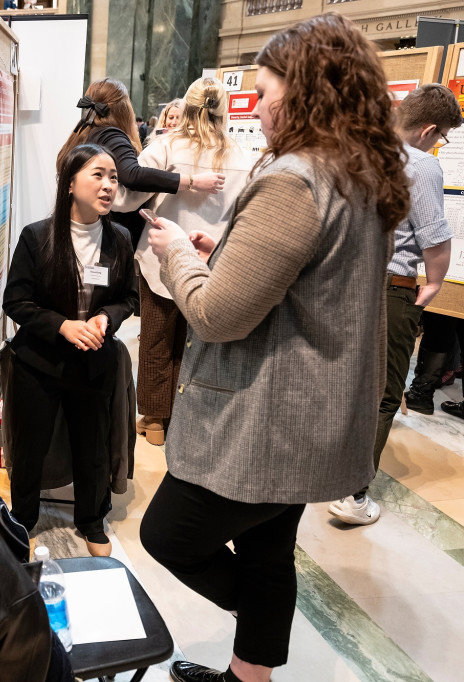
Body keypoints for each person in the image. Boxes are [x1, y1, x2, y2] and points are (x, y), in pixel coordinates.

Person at [139, 13, 410, 682]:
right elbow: (308, 281)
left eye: (265, 94)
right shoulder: (359, 171)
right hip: (311, 416)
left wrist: (177, 253)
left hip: (267, 418)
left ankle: (256, 631)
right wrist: (223, 252)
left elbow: (217, 315)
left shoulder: (295, 178)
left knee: (167, 534)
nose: (257, 110)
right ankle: (247, 675)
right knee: (265, 550)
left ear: (307, 91)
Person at [328, 83, 460, 526]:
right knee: (383, 394)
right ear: (428, 129)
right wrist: (436, 281)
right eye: (441, 135)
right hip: (389, 287)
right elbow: (435, 236)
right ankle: (353, 495)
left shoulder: (357, 148)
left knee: (341, 382)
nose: (438, 143)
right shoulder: (422, 164)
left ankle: (323, 473)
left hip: (342, 280)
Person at [2, 143, 138, 557]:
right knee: (30, 447)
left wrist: (105, 319)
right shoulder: (37, 236)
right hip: (38, 362)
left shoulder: (120, 238)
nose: (109, 185)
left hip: (94, 362)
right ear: (70, 184)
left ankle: (92, 521)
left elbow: (129, 298)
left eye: (113, 177)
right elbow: (16, 302)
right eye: (98, 175)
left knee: (92, 445)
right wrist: (62, 325)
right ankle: (23, 518)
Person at [116, 77, 253, 446]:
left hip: (160, 255)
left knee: (157, 337)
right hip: (212, 261)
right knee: (197, 341)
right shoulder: (242, 155)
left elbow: (126, 198)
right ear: (225, 110)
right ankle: (186, 412)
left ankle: (156, 419)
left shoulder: (166, 145)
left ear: (187, 106)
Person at [56, 78, 225, 250]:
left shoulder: (85, 132)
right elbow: (133, 175)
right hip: (107, 233)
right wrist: (191, 181)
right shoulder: (111, 135)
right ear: (123, 108)